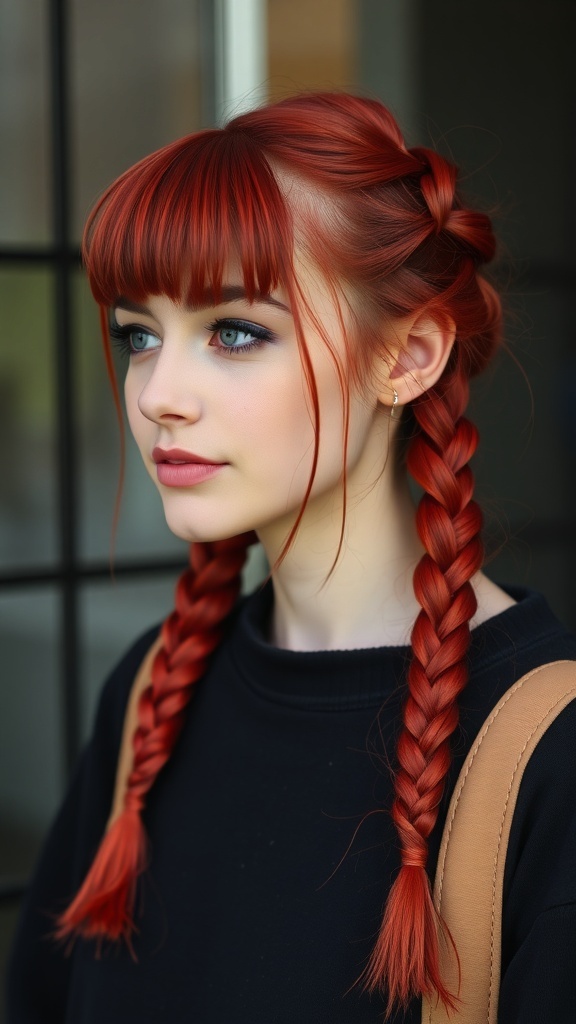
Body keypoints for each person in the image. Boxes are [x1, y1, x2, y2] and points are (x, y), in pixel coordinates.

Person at [6, 92, 576, 1024]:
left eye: (236, 330)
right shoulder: (152, 693)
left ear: (409, 356)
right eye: (138, 334)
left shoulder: (549, 757)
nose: (159, 395)